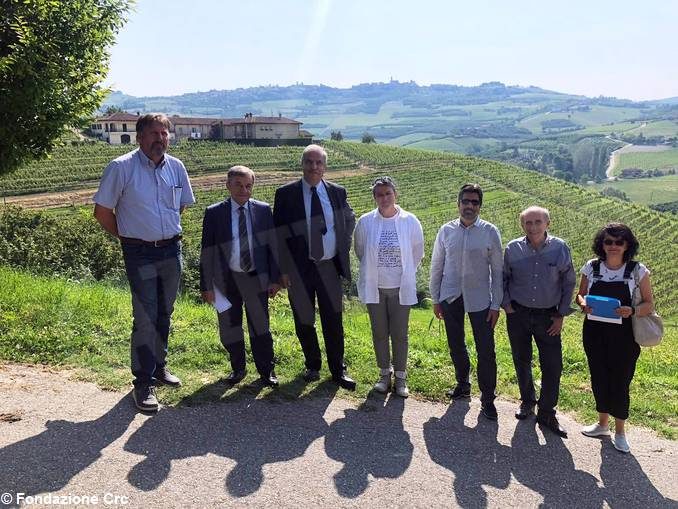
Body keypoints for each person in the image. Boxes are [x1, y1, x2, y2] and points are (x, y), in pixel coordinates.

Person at [93, 113, 195, 412]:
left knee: (165, 312)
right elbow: (102, 212)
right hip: (139, 253)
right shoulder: (121, 168)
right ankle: (143, 382)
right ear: (139, 137)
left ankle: (158, 366)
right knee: (146, 316)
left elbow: (181, 207)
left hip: (171, 251)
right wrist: (129, 238)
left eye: (164, 134)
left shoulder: (176, 167)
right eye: (153, 133)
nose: (160, 139)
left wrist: (162, 234)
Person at [273, 144, 357, 390]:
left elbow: (348, 220)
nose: (314, 166)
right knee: (304, 319)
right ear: (302, 164)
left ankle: (338, 369)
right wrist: (283, 271)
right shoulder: (286, 193)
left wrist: (342, 245)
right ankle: (312, 365)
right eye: (309, 161)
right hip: (298, 270)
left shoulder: (337, 192)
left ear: (325, 166)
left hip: (329, 266)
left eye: (318, 162)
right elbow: (278, 236)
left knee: (334, 320)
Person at [575, 223, 655, 453]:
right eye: (608, 241)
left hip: (624, 336)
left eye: (619, 242)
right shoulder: (591, 267)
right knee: (598, 377)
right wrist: (583, 305)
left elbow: (649, 304)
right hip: (594, 331)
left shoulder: (638, 271)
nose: (613, 246)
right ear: (601, 244)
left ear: (627, 245)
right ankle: (602, 424)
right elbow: (580, 294)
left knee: (620, 381)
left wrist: (632, 310)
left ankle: (620, 431)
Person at [200, 166, 280, 387]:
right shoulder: (214, 213)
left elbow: (272, 247)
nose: (244, 190)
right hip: (226, 281)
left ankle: (266, 372)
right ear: (228, 185)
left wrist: (274, 279)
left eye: (248, 186)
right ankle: (238, 368)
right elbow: (207, 251)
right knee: (230, 327)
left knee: (260, 327)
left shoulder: (263, 210)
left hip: (256, 279)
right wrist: (206, 286)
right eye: (238, 185)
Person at [430, 183, 503, 420]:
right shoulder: (446, 230)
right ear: (458, 203)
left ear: (480, 205)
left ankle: (488, 399)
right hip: (450, 295)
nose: (470, 206)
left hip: (481, 298)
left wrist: (495, 304)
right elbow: (437, 265)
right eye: (466, 201)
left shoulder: (490, 232)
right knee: (455, 343)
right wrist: (436, 298)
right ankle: (463, 384)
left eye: (475, 202)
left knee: (486, 350)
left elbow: (498, 271)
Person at [502, 206, 576, 438]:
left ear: (547, 224)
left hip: (548, 316)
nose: (533, 226)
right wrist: (507, 304)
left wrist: (561, 315)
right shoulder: (512, 249)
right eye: (528, 223)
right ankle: (527, 402)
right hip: (519, 314)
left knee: (552, 365)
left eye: (537, 222)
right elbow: (503, 277)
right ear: (522, 225)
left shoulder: (559, 248)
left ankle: (547, 412)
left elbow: (569, 282)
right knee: (521, 359)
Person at [354, 176, 424, 398]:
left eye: (388, 193)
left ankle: (401, 378)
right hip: (375, 287)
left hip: (400, 288)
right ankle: (384, 375)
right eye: (379, 194)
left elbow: (417, 253)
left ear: (396, 194)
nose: (384, 198)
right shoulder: (365, 222)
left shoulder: (410, 221)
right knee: (379, 333)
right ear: (374, 197)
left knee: (400, 335)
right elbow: (360, 251)